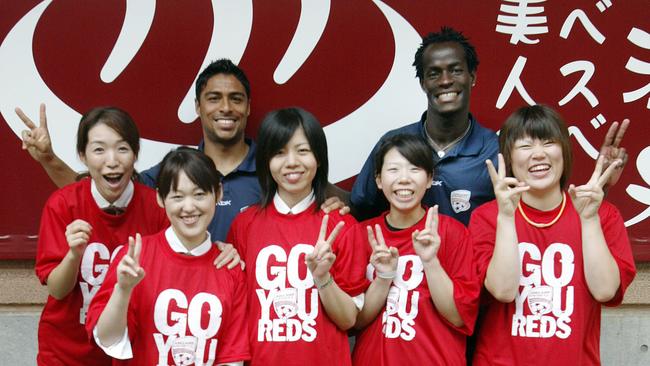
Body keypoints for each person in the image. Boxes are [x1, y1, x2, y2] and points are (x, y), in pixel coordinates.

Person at [349, 27, 630, 226]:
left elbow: (547, 210)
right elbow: (360, 205)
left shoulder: (495, 151)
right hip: (407, 292)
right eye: (434, 73)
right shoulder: (395, 144)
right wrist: (319, 188)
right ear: (423, 83)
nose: (445, 81)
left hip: (478, 293)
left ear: (472, 77)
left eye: (456, 70)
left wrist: (601, 186)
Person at [470, 105, 636, 365]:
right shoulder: (487, 217)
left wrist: (589, 219)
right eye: (525, 146)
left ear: (564, 151)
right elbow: (503, 290)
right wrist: (505, 216)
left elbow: (605, 291)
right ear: (509, 158)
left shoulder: (603, 215)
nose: (538, 154)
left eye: (549, 142)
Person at [226, 107, 366, 365]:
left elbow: (348, 319)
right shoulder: (245, 225)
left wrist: (323, 277)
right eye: (279, 152)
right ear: (266, 161)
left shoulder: (342, 225)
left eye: (303, 151)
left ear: (319, 158)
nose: (291, 162)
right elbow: (236, 312)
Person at [86, 147, 250, 365]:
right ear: (161, 199)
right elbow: (108, 340)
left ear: (217, 194)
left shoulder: (230, 267)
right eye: (177, 196)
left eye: (200, 194)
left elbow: (232, 358)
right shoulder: (134, 258)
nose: (189, 207)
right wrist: (123, 290)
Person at [33, 107, 169, 366]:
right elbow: (57, 290)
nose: (112, 160)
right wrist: (73, 255)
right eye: (99, 149)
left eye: (122, 148)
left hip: (131, 350)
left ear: (135, 154)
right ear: (83, 156)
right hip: (66, 352)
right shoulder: (62, 204)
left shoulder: (157, 208)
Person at [349, 134, 478, 365]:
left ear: (429, 179)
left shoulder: (453, 233)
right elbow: (354, 321)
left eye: (414, 169)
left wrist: (431, 262)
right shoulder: (361, 235)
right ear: (378, 180)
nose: (404, 179)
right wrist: (384, 277)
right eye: (394, 170)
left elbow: (459, 317)